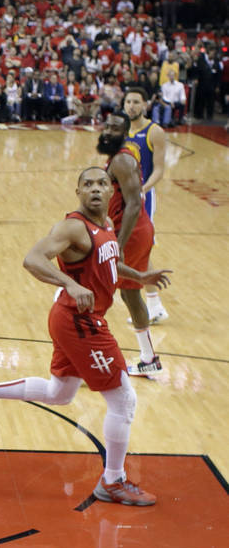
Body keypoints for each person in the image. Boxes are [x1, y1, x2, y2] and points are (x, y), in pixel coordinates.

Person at [0, 167, 170, 505]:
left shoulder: (107, 225)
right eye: (88, 185)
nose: (96, 189)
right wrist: (69, 282)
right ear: (78, 192)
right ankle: (113, 481)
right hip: (81, 322)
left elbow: (109, 264)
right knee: (123, 399)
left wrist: (140, 275)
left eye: (101, 183)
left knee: (60, 393)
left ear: (111, 192)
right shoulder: (73, 227)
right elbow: (32, 258)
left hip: (74, 318)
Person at [96, 110, 164, 376]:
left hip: (131, 232)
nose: (108, 132)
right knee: (129, 293)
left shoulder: (122, 160)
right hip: (133, 229)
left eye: (115, 129)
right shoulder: (120, 157)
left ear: (124, 134)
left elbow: (134, 203)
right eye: (107, 127)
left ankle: (91, 361)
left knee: (100, 289)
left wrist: (119, 245)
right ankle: (149, 359)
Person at [122, 87, 170, 323]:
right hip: (121, 194)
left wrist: (142, 190)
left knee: (141, 247)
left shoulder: (155, 132)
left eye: (136, 102)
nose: (131, 105)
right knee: (127, 247)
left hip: (143, 196)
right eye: (128, 101)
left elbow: (159, 170)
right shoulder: (121, 130)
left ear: (144, 105)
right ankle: (152, 304)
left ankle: (154, 304)